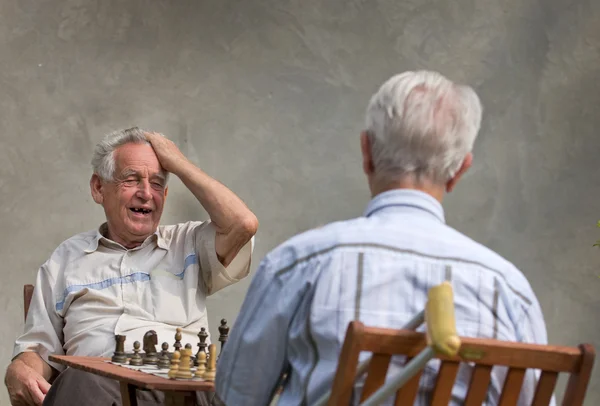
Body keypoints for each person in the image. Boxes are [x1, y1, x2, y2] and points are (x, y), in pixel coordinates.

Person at [215, 71, 552, 405]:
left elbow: (235, 397)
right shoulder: (507, 290)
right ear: (458, 171)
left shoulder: (297, 266)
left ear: (367, 152)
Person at [4, 127, 258, 406]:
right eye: (132, 179)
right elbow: (37, 351)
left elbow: (242, 223)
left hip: (183, 391)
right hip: (99, 391)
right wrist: (20, 369)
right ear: (99, 188)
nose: (147, 193)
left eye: (158, 183)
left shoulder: (189, 243)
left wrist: (178, 162)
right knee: (81, 379)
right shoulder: (65, 259)